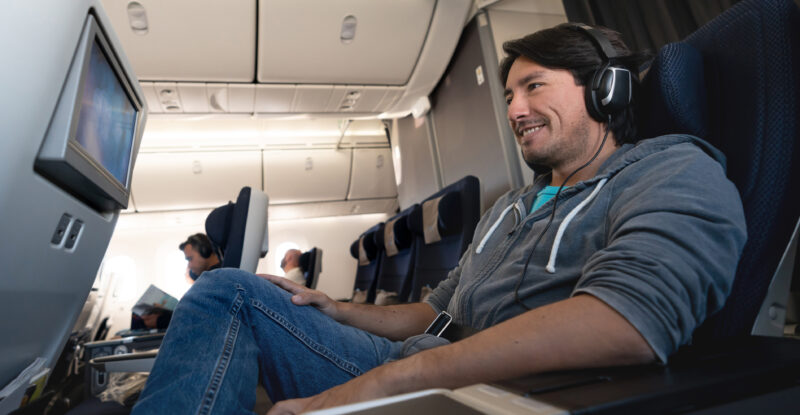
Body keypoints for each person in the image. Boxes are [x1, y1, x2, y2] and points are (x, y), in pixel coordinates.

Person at [132, 23, 747, 414]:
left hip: (497, 393)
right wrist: (333, 308)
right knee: (235, 295)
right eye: (509, 96)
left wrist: (389, 384)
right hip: (424, 364)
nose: (516, 109)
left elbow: (628, 322)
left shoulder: (670, 171)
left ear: (607, 90)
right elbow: (436, 310)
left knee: (224, 296)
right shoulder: (509, 207)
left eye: (533, 87)